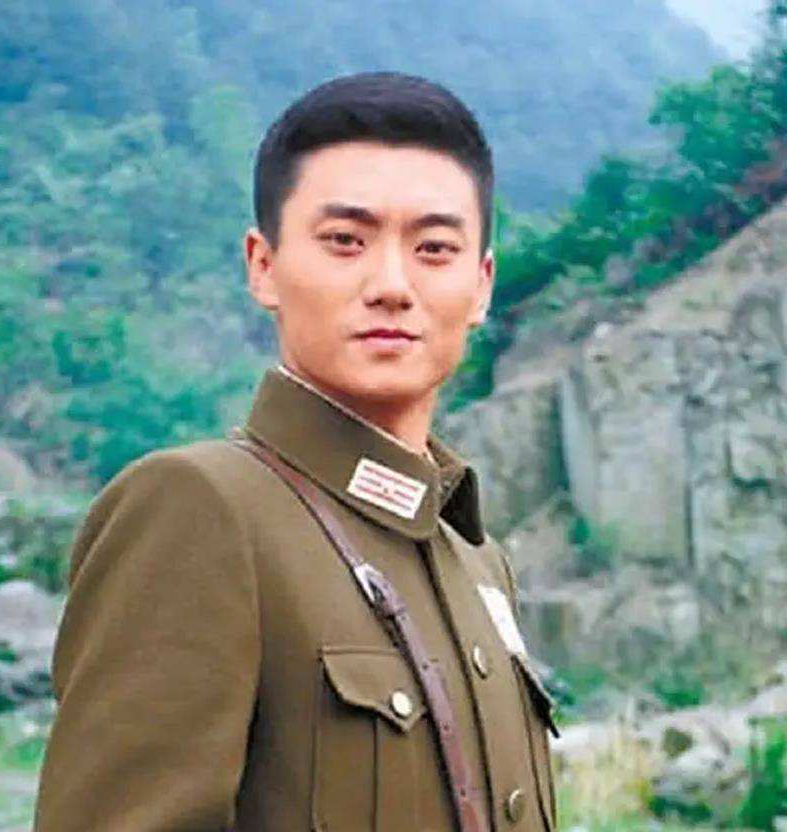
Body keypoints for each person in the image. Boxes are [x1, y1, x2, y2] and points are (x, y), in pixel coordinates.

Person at [33, 70, 559, 832]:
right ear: (264, 266)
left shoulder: (475, 559)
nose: (391, 285)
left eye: (434, 248)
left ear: (480, 287)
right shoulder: (201, 509)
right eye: (346, 242)